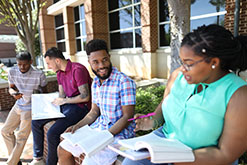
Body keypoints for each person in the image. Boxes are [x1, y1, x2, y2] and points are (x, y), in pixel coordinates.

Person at [122, 24, 247, 165]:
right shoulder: (178, 76)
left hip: (204, 158)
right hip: (164, 142)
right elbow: (164, 106)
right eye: (182, 62)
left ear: (214, 63)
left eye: (189, 63)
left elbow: (225, 155)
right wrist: (152, 121)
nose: (182, 69)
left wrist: (172, 158)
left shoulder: (238, 95)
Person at [57, 39, 136, 165]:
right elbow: (93, 112)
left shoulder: (124, 81)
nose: (101, 65)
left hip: (117, 134)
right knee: (62, 148)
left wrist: (104, 137)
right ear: (89, 62)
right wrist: (77, 126)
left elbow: (127, 116)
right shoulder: (95, 83)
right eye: (96, 62)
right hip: (98, 129)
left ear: (109, 57)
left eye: (104, 59)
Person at [30, 47, 92, 165]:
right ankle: (38, 158)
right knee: (36, 121)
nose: (48, 66)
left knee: (52, 133)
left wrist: (64, 101)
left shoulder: (77, 69)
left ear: (57, 61)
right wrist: (50, 102)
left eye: (49, 63)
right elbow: (62, 95)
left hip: (80, 108)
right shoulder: (59, 73)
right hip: (67, 106)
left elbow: (85, 97)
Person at [1, 51, 47, 165]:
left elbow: (44, 93)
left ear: (31, 62)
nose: (22, 67)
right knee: (5, 131)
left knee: (21, 137)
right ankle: (15, 161)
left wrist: (37, 93)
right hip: (18, 105)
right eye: (19, 64)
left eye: (25, 64)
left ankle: (11, 163)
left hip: (31, 107)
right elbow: (11, 88)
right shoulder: (12, 71)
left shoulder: (39, 74)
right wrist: (14, 93)